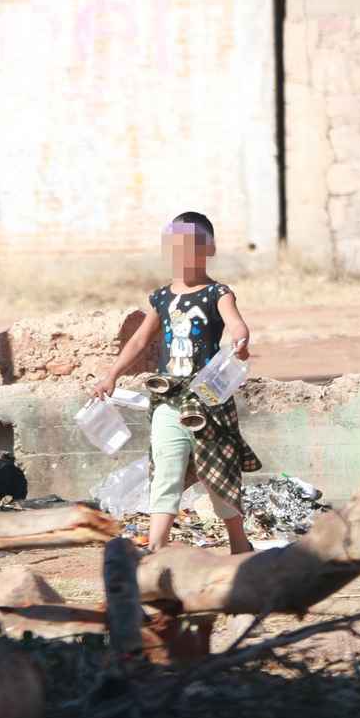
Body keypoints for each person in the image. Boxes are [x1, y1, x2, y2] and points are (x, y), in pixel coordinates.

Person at [91, 212, 259, 553]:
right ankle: (156, 548)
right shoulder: (161, 298)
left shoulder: (217, 293)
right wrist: (112, 375)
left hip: (208, 399)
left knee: (219, 471)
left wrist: (240, 342)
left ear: (209, 250)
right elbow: (140, 340)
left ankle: (239, 544)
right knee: (166, 468)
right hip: (168, 398)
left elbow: (237, 325)